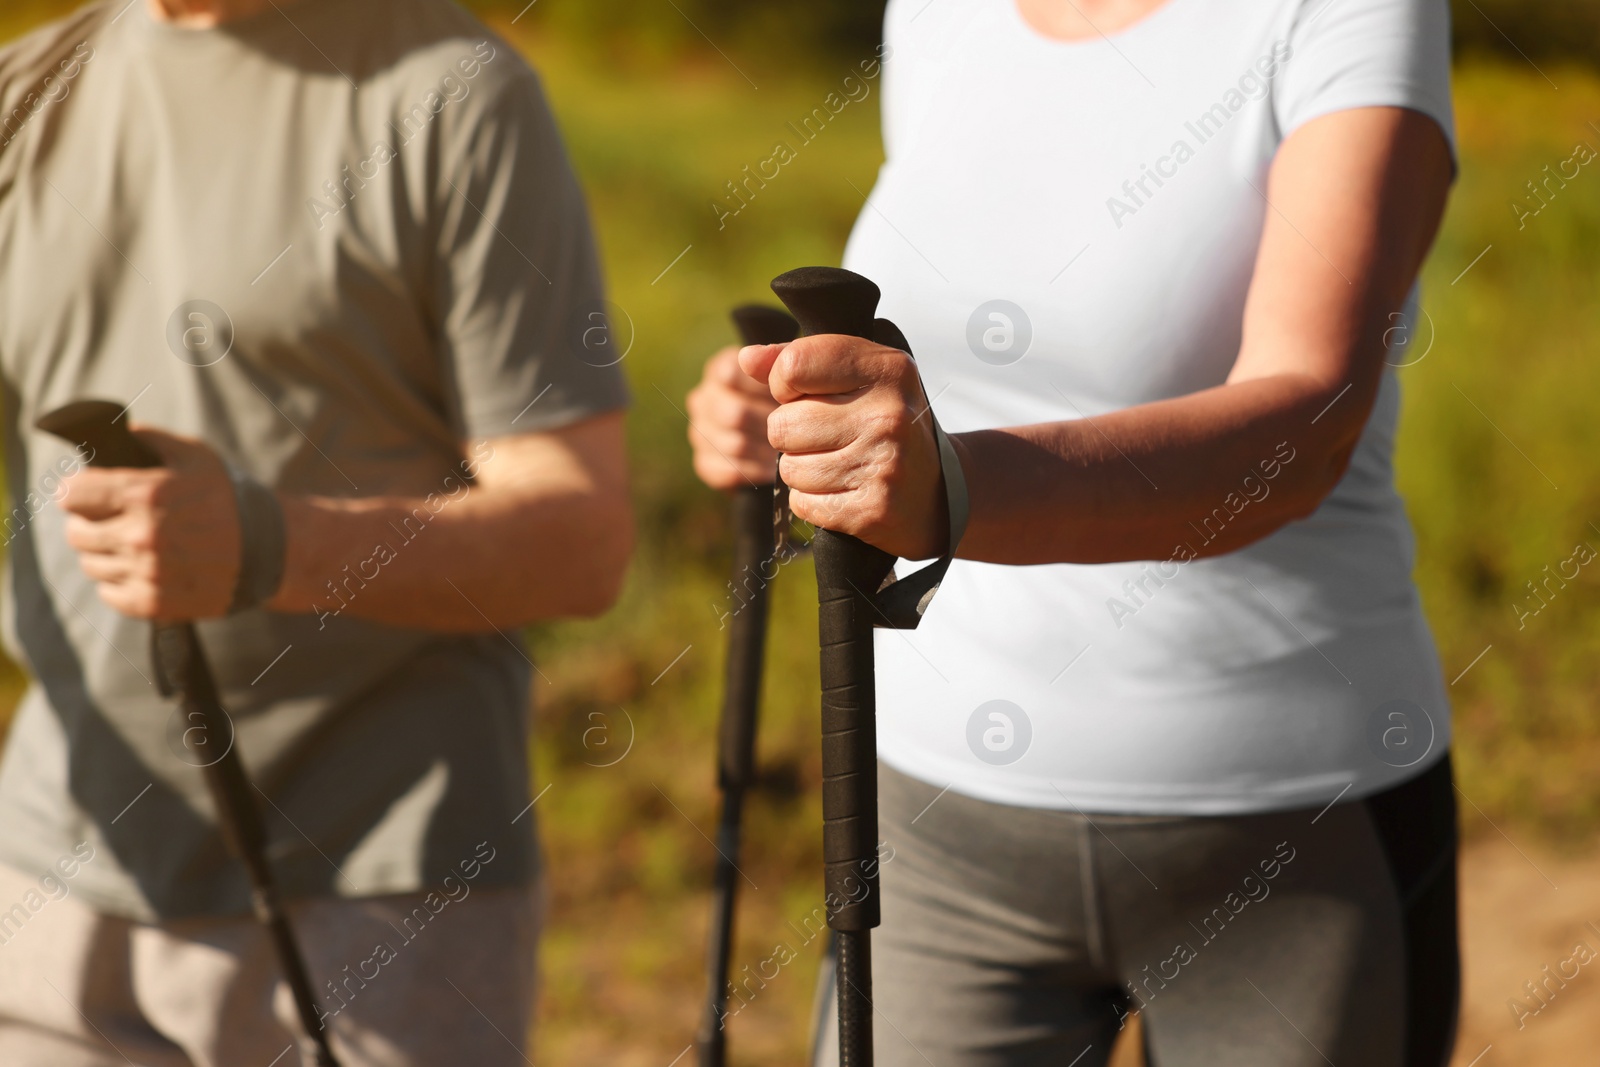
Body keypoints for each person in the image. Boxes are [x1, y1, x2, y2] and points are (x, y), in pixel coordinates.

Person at [688, 0, 1458, 1063]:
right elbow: (967, 339)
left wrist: (950, 488)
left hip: (1286, 833)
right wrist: (810, 427)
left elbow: (1304, 422)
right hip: (935, 832)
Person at [0, 0, 631, 1063]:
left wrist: (267, 542)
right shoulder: (24, 94)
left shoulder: (459, 96)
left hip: (380, 891)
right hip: (53, 867)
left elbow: (580, 535)